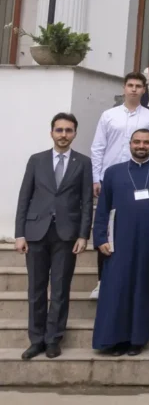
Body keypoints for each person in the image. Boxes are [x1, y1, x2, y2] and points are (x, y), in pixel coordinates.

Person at [15, 113, 93, 360]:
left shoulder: (83, 162)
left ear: (74, 134)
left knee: (60, 289)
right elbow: (24, 197)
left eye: (68, 130)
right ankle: (36, 340)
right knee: (36, 289)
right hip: (36, 232)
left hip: (66, 235)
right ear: (51, 133)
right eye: (59, 130)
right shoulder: (36, 160)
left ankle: (53, 339)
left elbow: (87, 201)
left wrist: (83, 235)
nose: (63, 135)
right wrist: (19, 234)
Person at [92, 129, 149, 355]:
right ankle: (113, 340)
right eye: (137, 142)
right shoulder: (113, 172)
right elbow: (103, 209)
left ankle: (136, 339)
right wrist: (100, 238)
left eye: (146, 142)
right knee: (116, 289)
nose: (141, 146)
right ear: (129, 144)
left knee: (141, 290)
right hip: (118, 241)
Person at [90, 72, 149, 298]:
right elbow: (98, 147)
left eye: (138, 86)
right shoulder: (109, 115)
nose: (133, 89)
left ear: (144, 90)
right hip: (111, 178)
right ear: (124, 88)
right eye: (130, 85)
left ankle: (139, 280)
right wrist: (96, 177)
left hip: (141, 178)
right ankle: (102, 280)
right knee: (108, 226)